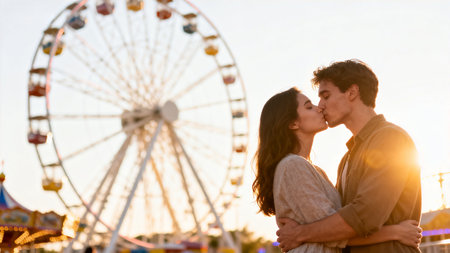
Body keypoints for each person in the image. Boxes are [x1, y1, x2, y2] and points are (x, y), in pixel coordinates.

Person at [275, 60, 422, 253]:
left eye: (325, 96)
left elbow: (364, 216)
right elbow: (339, 226)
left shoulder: (390, 138)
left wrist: (301, 234)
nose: (320, 105)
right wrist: (394, 232)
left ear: (352, 92)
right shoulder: (347, 159)